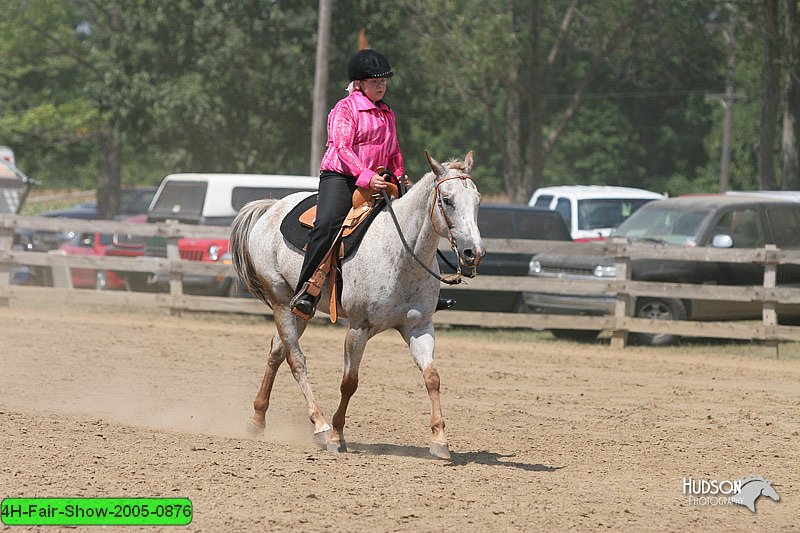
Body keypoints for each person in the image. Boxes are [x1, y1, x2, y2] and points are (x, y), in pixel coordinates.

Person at [290, 49, 454, 319]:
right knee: (327, 223)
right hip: (341, 177)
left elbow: (394, 150)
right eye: (375, 81)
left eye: (384, 81)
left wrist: (399, 175)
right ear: (359, 84)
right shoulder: (344, 109)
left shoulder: (387, 113)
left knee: (416, 224)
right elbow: (342, 148)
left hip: (379, 178)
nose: (381, 86)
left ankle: (424, 290)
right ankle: (306, 291)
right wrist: (366, 177)